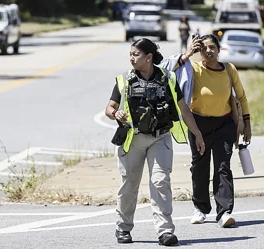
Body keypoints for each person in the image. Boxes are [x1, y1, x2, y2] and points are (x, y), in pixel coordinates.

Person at [105, 38, 205, 246]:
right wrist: (116, 114)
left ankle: (165, 231)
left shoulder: (167, 78)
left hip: (160, 138)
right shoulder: (124, 80)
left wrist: (197, 134)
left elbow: (184, 109)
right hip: (132, 139)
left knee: (160, 182)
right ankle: (123, 228)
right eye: (130, 54)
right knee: (129, 185)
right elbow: (109, 108)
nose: (131, 58)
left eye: (136, 54)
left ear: (148, 58)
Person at [173, 34, 252, 228]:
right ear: (199, 51)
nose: (208, 51)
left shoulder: (229, 69)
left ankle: (224, 212)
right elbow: (169, 72)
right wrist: (188, 53)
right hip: (198, 124)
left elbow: (241, 97)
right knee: (199, 166)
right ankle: (200, 209)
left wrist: (247, 124)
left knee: (222, 166)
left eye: (212, 47)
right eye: (204, 48)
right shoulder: (193, 68)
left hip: (224, 124)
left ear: (219, 49)